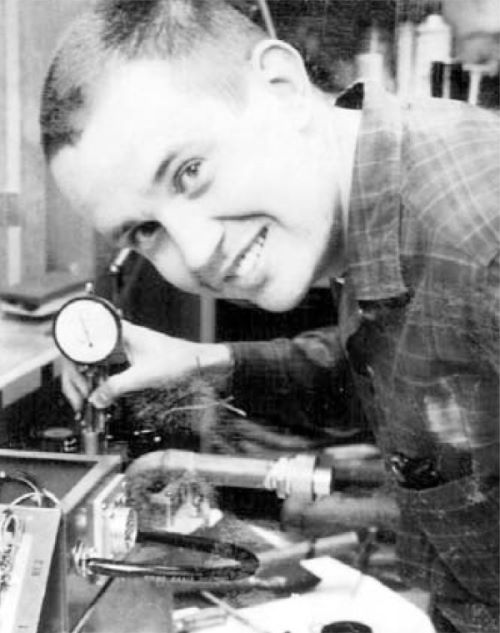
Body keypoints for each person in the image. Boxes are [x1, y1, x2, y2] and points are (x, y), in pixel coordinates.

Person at [39, 1, 499, 631]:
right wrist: (204, 362)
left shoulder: (480, 239)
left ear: (281, 87)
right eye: (146, 229)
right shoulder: (386, 210)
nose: (198, 251)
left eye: (190, 172)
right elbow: (416, 363)